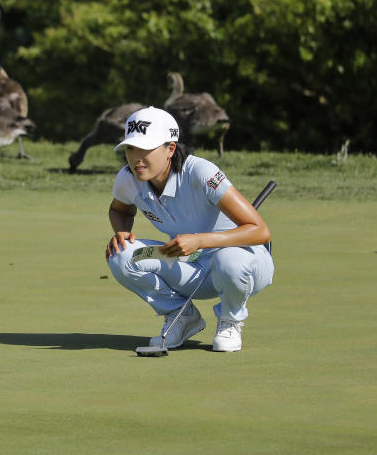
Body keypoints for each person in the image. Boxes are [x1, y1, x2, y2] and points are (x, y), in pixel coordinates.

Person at [104, 106, 273, 352]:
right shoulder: (128, 178)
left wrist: (200, 241)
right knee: (123, 255)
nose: (136, 157)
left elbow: (259, 230)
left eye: (145, 148)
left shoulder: (200, 172)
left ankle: (230, 321)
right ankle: (181, 316)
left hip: (245, 263)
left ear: (170, 149)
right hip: (188, 263)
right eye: (130, 148)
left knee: (228, 259)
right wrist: (121, 232)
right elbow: (119, 210)